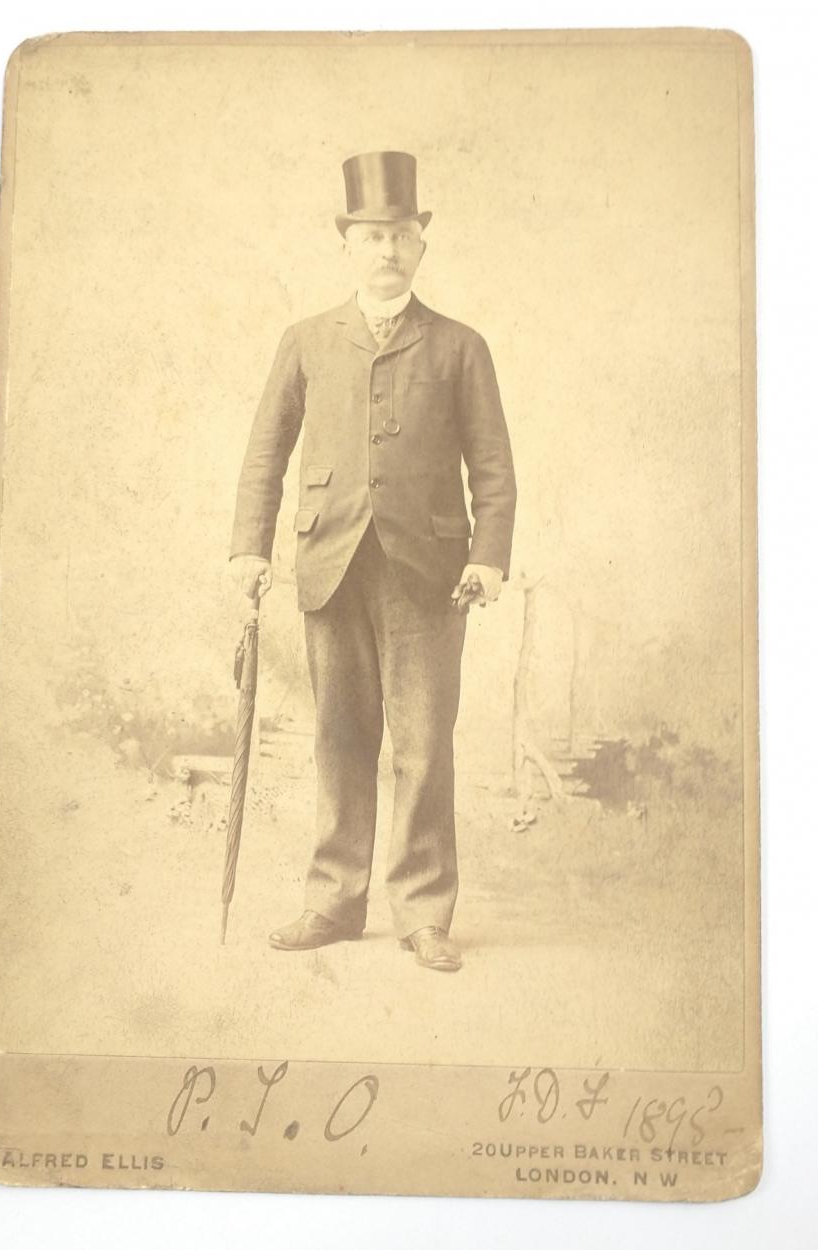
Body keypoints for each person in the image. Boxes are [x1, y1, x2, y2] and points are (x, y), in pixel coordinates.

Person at [229, 151, 516, 972]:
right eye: (372, 236)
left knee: (423, 744)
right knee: (339, 738)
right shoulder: (305, 342)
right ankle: (333, 901)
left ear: (420, 245)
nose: (387, 250)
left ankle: (423, 913)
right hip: (331, 562)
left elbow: (493, 467)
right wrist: (248, 547)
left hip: (429, 570)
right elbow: (265, 454)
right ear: (347, 245)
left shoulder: (460, 347)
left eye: (401, 236)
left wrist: (489, 558)